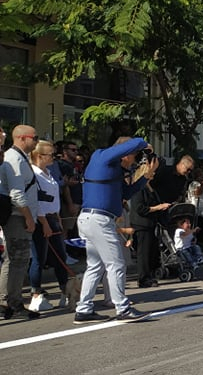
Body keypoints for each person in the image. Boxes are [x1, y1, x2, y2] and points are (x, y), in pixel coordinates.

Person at [73, 136, 155, 323]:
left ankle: (83, 310)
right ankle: (123, 308)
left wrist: (146, 177)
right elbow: (133, 144)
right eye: (134, 155)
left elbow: (125, 194)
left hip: (94, 219)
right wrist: (145, 144)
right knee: (116, 264)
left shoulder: (112, 169)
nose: (135, 160)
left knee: (96, 266)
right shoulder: (101, 156)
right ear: (125, 153)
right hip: (99, 219)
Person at [0, 125, 41, 320]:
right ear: (23, 138)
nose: (36, 142)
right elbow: (16, 194)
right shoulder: (14, 158)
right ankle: (12, 303)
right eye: (35, 137)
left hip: (19, 216)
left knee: (15, 259)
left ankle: (7, 302)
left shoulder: (19, 157)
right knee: (18, 260)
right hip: (17, 217)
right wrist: (28, 217)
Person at [27, 140, 72, 311]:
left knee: (60, 256)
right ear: (39, 156)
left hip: (53, 217)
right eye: (51, 154)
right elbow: (36, 201)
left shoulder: (48, 173)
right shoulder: (34, 174)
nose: (54, 157)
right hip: (42, 220)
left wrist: (58, 216)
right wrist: (44, 222)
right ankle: (36, 294)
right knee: (39, 258)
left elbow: (53, 198)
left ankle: (65, 291)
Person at [129, 170, 172, 288]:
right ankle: (143, 278)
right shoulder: (139, 189)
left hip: (151, 224)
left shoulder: (150, 188)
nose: (153, 174)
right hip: (141, 224)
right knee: (143, 253)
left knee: (151, 251)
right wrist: (158, 207)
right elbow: (139, 208)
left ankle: (150, 275)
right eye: (151, 172)